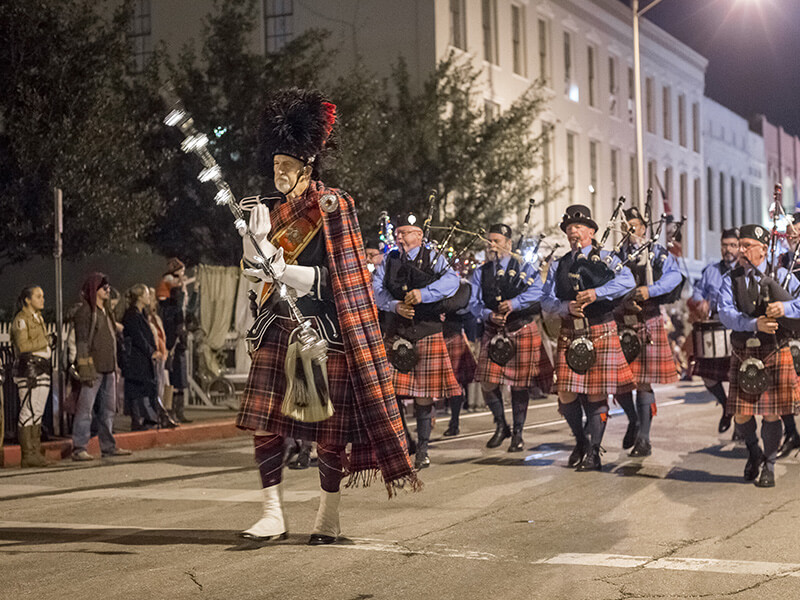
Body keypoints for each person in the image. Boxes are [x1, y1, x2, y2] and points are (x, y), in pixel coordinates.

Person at [236, 88, 417, 545]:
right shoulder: (266, 209)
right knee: (264, 422)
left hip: (324, 329)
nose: (278, 174)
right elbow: (256, 274)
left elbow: (343, 278)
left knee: (327, 435)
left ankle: (327, 517)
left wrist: (285, 270)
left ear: (308, 167)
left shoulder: (334, 205)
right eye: (275, 165)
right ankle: (273, 513)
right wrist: (253, 253)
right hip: (276, 325)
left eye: (287, 167)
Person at [541, 205, 636, 471]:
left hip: (600, 327)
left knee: (595, 395)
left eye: (579, 227)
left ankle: (594, 453)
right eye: (570, 228)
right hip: (571, 330)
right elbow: (546, 300)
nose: (573, 231)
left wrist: (597, 293)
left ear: (592, 232)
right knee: (566, 395)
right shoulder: (560, 263)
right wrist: (564, 307)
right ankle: (581, 441)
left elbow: (627, 281)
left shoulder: (607, 257)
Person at [373, 211, 463, 469]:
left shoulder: (433, 257)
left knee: (424, 396)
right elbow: (376, 291)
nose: (400, 237)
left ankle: (423, 448)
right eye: (398, 233)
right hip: (396, 333)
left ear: (419, 235)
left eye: (405, 233)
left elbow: (451, 282)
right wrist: (394, 305)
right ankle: (405, 441)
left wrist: (423, 294)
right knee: (390, 393)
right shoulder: (389, 260)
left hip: (426, 332)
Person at [718, 224, 800, 487]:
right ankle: (754, 452)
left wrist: (784, 306)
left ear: (764, 249)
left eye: (747, 246)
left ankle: (769, 464)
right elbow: (726, 313)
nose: (741, 250)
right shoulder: (730, 279)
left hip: (774, 350)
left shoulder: (783, 276)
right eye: (739, 245)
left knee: (772, 414)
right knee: (741, 414)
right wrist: (754, 324)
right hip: (745, 351)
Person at [469, 224, 553, 451]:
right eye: (489, 241)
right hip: (493, 330)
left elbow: (539, 291)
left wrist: (514, 304)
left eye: (496, 241)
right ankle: (500, 425)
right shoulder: (481, 272)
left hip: (520, 328)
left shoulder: (525, 267)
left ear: (508, 243)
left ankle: (518, 433)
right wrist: (488, 314)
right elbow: (474, 303)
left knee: (519, 386)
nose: (492, 246)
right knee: (487, 382)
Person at [613, 207, 682, 457]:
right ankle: (633, 420)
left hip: (648, 319)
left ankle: (644, 438)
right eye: (626, 225)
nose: (631, 229)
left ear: (643, 228)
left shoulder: (657, 253)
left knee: (642, 382)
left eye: (635, 225)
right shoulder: (615, 256)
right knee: (619, 382)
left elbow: (675, 277)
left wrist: (649, 291)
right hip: (621, 321)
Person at [72, 273, 131, 461]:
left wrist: (115, 365)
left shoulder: (107, 311)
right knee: (85, 410)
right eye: (104, 287)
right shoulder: (85, 312)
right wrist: (85, 369)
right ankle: (79, 448)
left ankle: (108, 446)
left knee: (108, 411)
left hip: (109, 369)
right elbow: (81, 344)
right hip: (93, 369)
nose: (107, 290)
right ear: (94, 290)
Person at [687, 228, 740, 433]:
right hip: (714, 326)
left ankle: (740, 428)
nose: (728, 249)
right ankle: (726, 406)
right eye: (725, 245)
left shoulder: (744, 269)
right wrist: (700, 302)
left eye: (732, 245)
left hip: (737, 326)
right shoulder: (711, 270)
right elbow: (698, 292)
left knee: (738, 379)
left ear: (739, 247)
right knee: (708, 376)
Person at [10, 285, 53, 467]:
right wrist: (45, 340)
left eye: (42, 296)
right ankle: (28, 454)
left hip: (41, 368)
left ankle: (35, 452)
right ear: (28, 300)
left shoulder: (38, 318)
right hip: (29, 370)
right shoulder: (21, 320)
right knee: (28, 410)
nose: (42, 299)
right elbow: (23, 346)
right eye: (38, 296)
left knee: (38, 411)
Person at [775, 214, 800, 458]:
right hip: (789, 328)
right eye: (791, 231)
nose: (793, 234)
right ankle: (791, 432)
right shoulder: (781, 260)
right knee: (784, 387)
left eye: (798, 230)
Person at [122, 285, 160, 431]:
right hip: (135, 359)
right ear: (139, 297)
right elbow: (138, 337)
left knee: (143, 389)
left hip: (142, 360)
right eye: (146, 294)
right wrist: (151, 351)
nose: (149, 297)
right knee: (136, 390)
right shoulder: (132, 315)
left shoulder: (140, 314)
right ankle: (137, 420)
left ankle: (147, 418)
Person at [160, 285, 191, 423]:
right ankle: (175, 412)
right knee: (177, 382)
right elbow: (178, 329)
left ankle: (172, 412)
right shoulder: (177, 311)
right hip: (176, 349)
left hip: (171, 348)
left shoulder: (165, 309)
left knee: (172, 381)